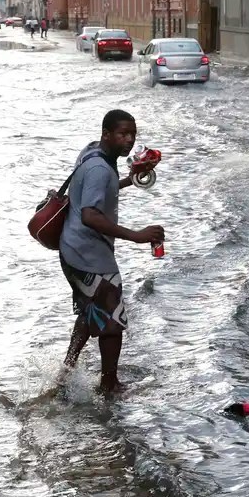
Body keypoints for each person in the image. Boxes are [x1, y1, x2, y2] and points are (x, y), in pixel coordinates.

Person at [59, 109, 164, 393]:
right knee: (113, 320)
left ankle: (66, 371)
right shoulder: (99, 168)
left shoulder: (93, 153)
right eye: (122, 134)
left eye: (132, 134)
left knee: (90, 310)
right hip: (89, 254)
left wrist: (131, 179)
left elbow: (96, 191)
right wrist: (136, 236)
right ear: (106, 134)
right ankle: (109, 384)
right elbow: (90, 215)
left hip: (71, 249)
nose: (129, 140)